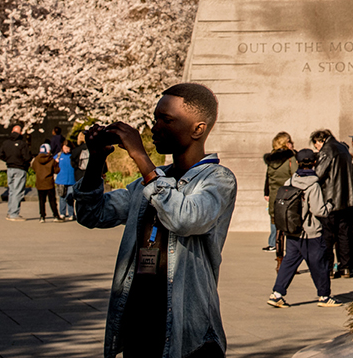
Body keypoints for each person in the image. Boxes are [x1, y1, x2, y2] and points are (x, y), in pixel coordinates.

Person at [75, 83, 236, 358]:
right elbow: (93, 214)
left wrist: (140, 156)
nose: (154, 128)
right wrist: (95, 161)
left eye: (167, 120)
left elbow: (185, 218)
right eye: (155, 119)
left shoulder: (217, 179)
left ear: (198, 129)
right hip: (139, 319)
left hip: (189, 331)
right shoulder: (149, 181)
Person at [267, 148, 340, 308]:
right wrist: (329, 205)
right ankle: (324, 296)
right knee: (319, 264)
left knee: (288, 263)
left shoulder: (291, 181)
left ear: (298, 163)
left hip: (292, 231)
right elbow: (318, 210)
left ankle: (277, 294)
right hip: (310, 233)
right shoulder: (313, 185)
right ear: (314, 163)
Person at [311, 128, 353, 279]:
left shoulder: (327, 150)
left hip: (330, 198)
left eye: (316, 145)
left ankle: (328, 268)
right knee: (343, 234)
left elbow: (318, 173)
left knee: (328, 235)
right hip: (346, 198)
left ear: (320, 140)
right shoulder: (343, 148)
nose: (316, 148)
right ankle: (346, 267)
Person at [263, 132, 297, 252]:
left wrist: (266, 193)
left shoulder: (271, 160)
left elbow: (268, 178)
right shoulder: (291, 159)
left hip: (274, 195)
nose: (292, 144)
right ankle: (290, 250)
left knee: (275, 221)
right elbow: (296, 176)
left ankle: (276, 248)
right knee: (290, 222)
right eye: (290, 141)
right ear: (285, 144)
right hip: (288, 196)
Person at [0, 123, 33, 221]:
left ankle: (10, 212)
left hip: (10, 168)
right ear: (21, 132)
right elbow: (27, 157)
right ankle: (14, 213)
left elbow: (0, 154)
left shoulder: (6, 143)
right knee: (18, 191)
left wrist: (8, 160)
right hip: (20, 168)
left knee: (12, 191)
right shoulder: (22, 144)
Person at [31, 144, 60, 221]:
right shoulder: (51, 160)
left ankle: (42, 216)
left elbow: (33, 168)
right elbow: (56, 170)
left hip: (40, 183)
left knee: (41, 201)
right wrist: (57, 163)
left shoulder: (36, 160)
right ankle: (56, 215)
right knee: (52, 200)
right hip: (49, 183)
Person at [55, 142, 76, 221]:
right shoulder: (59, 155)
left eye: (67, 148)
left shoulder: (72, 156)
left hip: (72, 180)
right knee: (62, 197)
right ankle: (62, 213)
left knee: (70, 197)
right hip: (61, 180)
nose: (66, 149)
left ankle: (71, 214)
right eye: (64, 147)